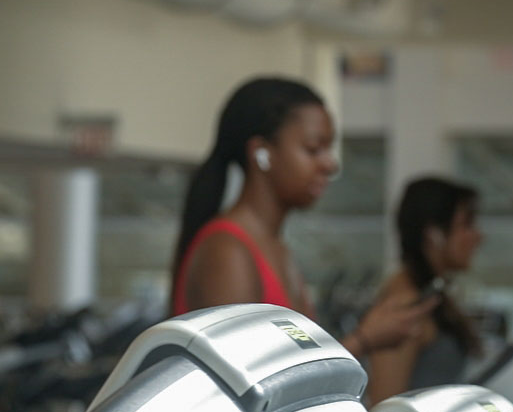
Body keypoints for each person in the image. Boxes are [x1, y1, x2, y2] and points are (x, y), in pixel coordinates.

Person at [168, 77, 430, 361]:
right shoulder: (227, 251)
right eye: (313, 148)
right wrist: (363, 339)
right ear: (262, 154)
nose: (331, 164)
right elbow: (248, 387)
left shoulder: (274, 247)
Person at [365, 177, 486, 405]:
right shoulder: (404, 304)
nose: (478, 236)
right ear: (434, 235)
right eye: (467, 224)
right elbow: (384, 407)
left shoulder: (433, 295)